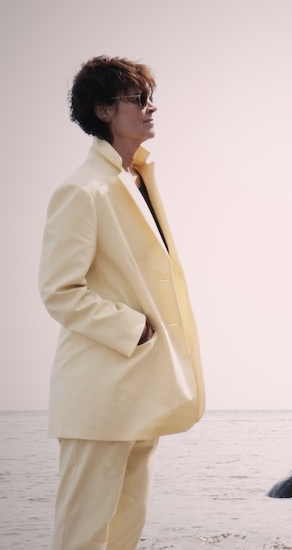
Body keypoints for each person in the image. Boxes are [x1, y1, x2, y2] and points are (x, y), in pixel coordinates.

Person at [38, 56, 205, 550]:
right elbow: (59, 290)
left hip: (142, 388)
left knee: (126, 533)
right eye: (139, 99)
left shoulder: (141, 178)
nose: (151, 108)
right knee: (82, 536)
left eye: (151, 98)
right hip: (99, 391)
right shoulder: (81, 190)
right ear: (104, 110)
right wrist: (134, 328)